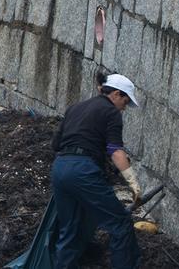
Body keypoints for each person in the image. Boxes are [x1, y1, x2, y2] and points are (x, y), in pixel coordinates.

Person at [49, 73, 143, 269]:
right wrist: (134, 185)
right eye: (125, 102)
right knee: (120, 224)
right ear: (116, 94)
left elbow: (56, 144)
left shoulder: (75, 108)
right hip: (83, 171)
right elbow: (116, 151)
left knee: (71, 230)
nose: (124, 108)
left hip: (60, 168)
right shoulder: (111, 112)